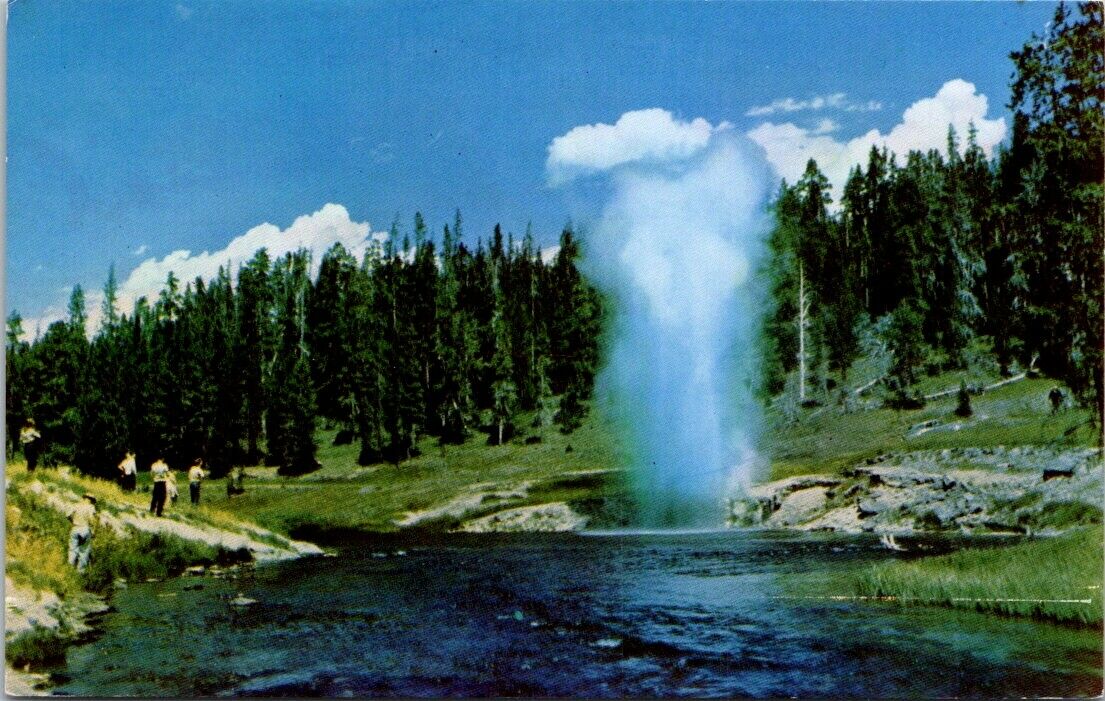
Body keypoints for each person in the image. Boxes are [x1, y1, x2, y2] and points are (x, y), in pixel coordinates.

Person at [68, 494, 97, 571]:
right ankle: (80, 571)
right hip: (85, 528)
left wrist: (72, 521)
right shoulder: (91, 507)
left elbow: (68, 515)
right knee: (84, 552)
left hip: (75, 527)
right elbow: (92, 519)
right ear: (91, 500)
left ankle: (69, 568)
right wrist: (93, 531)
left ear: (84, 498)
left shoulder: (76, 505)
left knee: (72, 550)